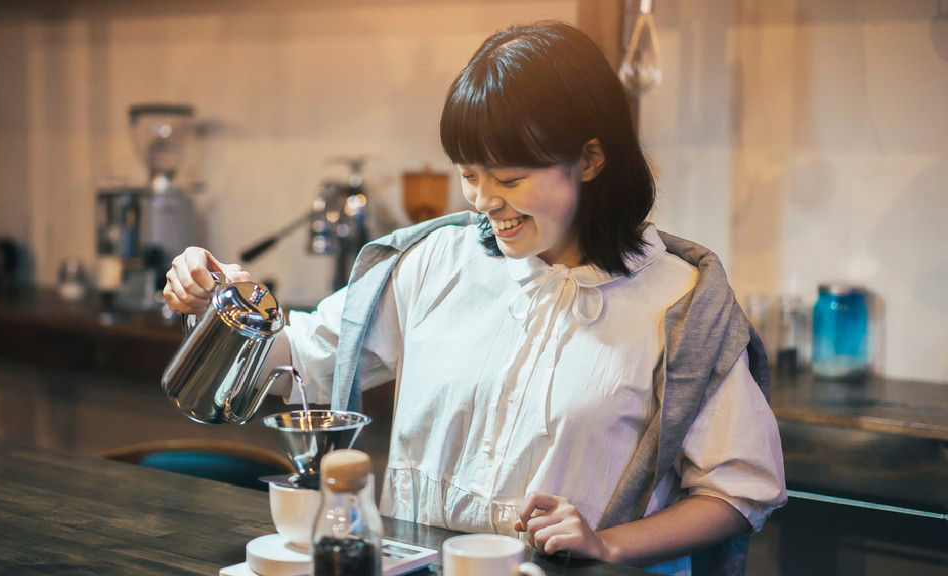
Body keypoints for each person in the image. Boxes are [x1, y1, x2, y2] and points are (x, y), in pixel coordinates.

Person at [163, 21, 786, 576]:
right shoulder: (433, 262)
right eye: (469, 173)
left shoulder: (680, 302)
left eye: (510, 178)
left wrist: (608, 544)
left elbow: (736, 492)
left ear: (590, 159)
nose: (484, 200)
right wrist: (221, 299)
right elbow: (308, 361)